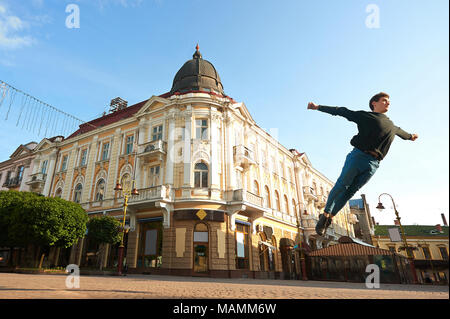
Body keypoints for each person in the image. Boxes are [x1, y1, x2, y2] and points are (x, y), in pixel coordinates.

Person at [307, 92, 418, 235]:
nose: (388, 103)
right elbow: (342, 111)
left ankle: (331, 216)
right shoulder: (366, 116)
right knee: (342, 185)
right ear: (374, 103)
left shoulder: (392, 125)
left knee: (350, 192)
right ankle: (325, 214)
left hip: (374, 164)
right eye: (384, 100)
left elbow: (403, 133)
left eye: (388, 101)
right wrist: (318, 107)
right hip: (359, 156)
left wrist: (411, 137)